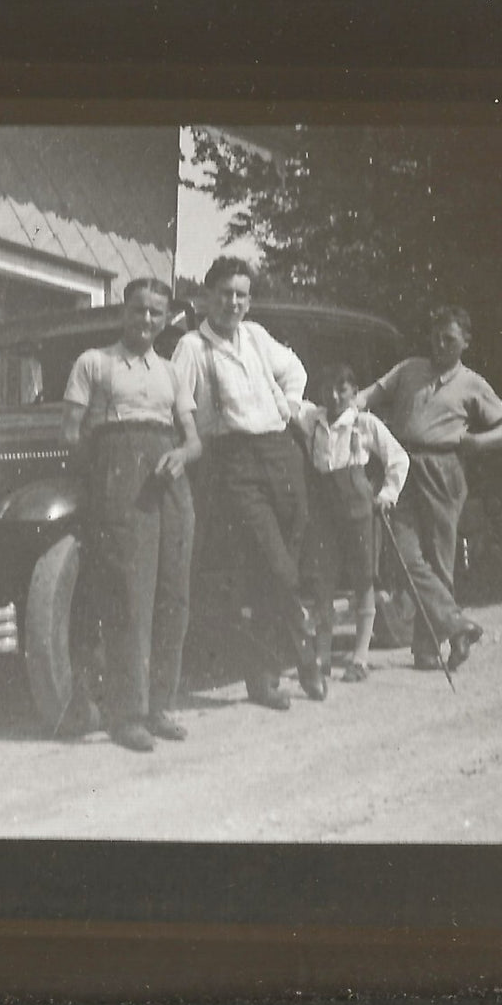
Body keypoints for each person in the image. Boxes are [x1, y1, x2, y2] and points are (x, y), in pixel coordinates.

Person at [171, 256, 320, 710]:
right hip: (234, 463)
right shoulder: (193, 348)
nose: (233, 302)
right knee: (276, 567)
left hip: (282, 456)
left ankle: (263, 679)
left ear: (248, 300)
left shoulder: (255, 337)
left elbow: (295, 370)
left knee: (272, 571)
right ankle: (306, 650)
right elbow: (177, 402)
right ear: (206, 297)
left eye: (241, 294)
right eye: (224, 293)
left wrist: (290, 404)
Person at [63, 279, 202, 753]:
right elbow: (70, 435)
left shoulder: (171, 372)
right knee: (129, 595)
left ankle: (161, 705)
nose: (147, 321)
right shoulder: (94, 363)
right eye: (139, 311)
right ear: (123, 312)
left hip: (170, 476)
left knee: (172, 594)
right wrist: (109, 471)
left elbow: (194, 438)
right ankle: (128, 714)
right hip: (119, 471)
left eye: (156, 314)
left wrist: (182, 457)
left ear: (166, 320)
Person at [358, 305, 502, 671]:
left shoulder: (472, 383)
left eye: (450, 338)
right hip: (399, 465)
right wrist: (341, 408)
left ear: (466, 342)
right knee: (402, 555)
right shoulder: (410, 369)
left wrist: (477, 442)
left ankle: (428, 649)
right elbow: (367, 396)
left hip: (443, 469)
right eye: (436, 337)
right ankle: (457, 625)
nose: (441, 344)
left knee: (439, 558)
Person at [298, 364, 410, 691]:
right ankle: (322, 656)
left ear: (353, 391)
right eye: (327, 390)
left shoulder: (363, 423)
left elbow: (398, 458)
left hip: (358, 506)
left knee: (364, 579)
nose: (333, 397)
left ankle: (360, 657)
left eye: (341, 390)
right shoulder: (312, 420)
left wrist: (388, 494)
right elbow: (285, 402)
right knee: (323, 582)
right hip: (324, 509)